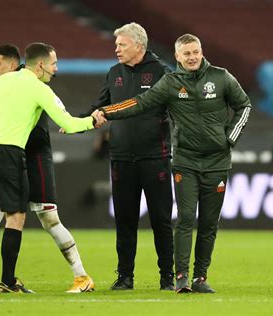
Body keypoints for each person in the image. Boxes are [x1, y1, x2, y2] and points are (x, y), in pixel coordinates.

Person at [96, 33, 252, 293]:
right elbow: (140, 103)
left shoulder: (221, 77)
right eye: (186, 53)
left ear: (201, 52)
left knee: (209, 223)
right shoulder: (170, 83)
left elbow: (244, 106)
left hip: (217, 161)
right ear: (177, 57)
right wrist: (105, 112)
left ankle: (200, 278)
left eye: (195, 52)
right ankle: (181, 276)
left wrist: (229, 139)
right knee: (186, 217)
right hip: (185, 161)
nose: (192, 57)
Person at [0, 42, 104, 293]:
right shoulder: (39, 89)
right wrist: (92, 121)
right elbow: (67, 124)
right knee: (16, 217)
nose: (55, 69)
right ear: (40, 65)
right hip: (9, 153)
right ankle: (9, 281)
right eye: (54, 64)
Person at [89, 22, 175, 291]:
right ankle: (125, 276)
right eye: (117, 45)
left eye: (121, 45)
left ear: (139, 46)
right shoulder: (114, 73)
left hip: (155, 157)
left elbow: (175, 109)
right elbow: (100, 106)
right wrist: (89, 116)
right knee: (125, 221)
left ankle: (167, 277)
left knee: (161, 220)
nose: (116, 49)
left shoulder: (162, 72)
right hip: (122, 157)